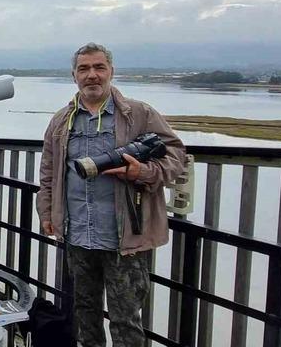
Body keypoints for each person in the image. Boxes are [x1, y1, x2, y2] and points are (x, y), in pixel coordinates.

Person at [37, 43, 186, 347]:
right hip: (78, 234)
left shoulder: (139, 114)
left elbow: (176, 157)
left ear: (111, 72)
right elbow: (49, 173)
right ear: (74, 75)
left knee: (126, 319)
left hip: (125, 239)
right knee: (84, 312)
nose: (92, 75)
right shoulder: (61, 121)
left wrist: (141, 172)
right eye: (84, 69)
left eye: (99, 67)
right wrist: (47, 213)